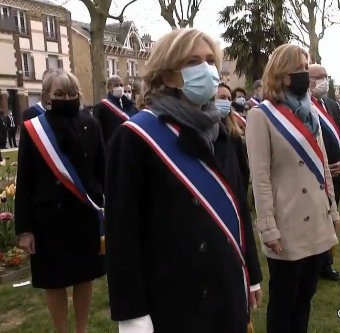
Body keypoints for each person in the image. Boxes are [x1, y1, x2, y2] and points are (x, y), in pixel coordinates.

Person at [105, 28, 262, 333]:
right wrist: (132, 314)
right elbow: (122, 234)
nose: (206, 70)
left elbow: (238, 207)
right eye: (192, 62)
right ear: (166, 75)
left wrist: (251, 273)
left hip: (226, 287)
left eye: (209, 61)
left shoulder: (222, 131)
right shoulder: (136, 137)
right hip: (174, 298)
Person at [246, 44, 339, 333]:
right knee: (285, 301)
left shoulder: (311, 113)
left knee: (306, 297)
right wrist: (268, 228)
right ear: (283, 75)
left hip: (316, 218)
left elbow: (323, 165)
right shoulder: (261, 116)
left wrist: (333, 210)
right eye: (300, 69)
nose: (306, 76)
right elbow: (259, 178)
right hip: (286, 223)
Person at [15, 68, 105, 333]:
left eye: (71, 93)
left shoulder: (91, 123)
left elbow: (102, 169)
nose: (66, 98)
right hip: (48, 221)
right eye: (59, 93)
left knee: (84, 277)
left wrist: (106, 208)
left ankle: (81, 329)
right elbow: (25, 179)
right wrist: (24, 229)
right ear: (46, 97)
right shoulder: (34, 130)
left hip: (83, 213)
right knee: (54, 282)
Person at [309, 63, 340, 283]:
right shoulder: (303, 107)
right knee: (315, 219)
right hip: (315, 174)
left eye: (326, 76)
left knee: (331, 219)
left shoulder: (332, 106)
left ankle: (327, 264)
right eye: (318, 76)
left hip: (336, 173)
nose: (324, 80)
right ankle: (313, 265)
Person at [216, 83, 250, 194]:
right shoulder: (205, 131)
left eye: (229, 99)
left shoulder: (234, 135)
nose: (226, 101)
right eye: (222, 98)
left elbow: (243, 170)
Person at [93, 76, 139, 145]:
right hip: (112, 147)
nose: (119, 88)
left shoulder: (130, 106)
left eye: (121, 85)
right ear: (109, 87)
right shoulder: (101, 107)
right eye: (116, 85)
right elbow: (98, 133)